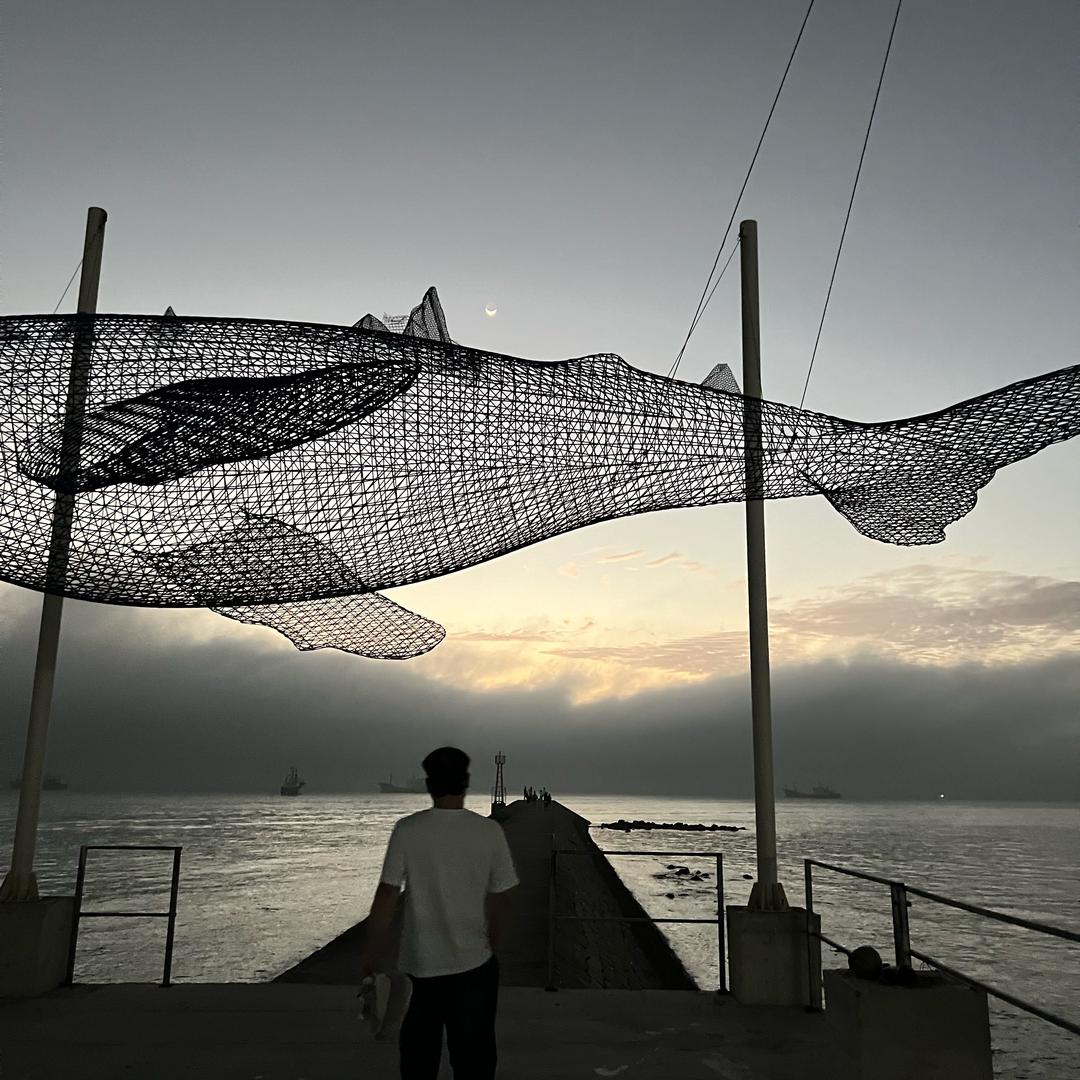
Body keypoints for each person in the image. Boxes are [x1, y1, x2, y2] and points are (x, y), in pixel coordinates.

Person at [361, 746, 518, 1080]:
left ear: (430, 784)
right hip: (475, 968)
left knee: (418, 1063)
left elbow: (388, 894)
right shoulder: (488, 832)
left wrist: (372, 956)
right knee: (474, 1063)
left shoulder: (408, 829)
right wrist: (492, 945)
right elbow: (504, 898)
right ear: (466, 783)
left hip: (419, 968)